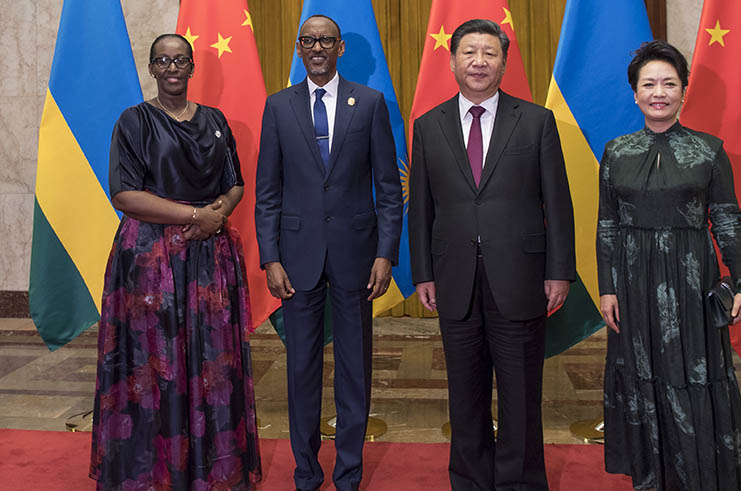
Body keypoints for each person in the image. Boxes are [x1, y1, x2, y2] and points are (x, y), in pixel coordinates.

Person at [408, 18, 575, 491]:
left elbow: (557, 203)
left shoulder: (537, 121)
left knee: (522, 394)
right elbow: (420, 207)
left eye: (490, 53)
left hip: (522, 278)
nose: (479, 61)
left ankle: (520, 482)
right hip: (453, 278)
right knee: (465, 394)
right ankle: (470, 481)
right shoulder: (429, 125)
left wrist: (559, 270)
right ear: (453, 60)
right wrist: (423, 271)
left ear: (504, 61)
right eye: (469, 53)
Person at [89, 34, 262, 489]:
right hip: (150, 262)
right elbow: (125, 194)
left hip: (208, 258)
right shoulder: (134, 121)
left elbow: (235, 183)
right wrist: (195, 215)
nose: (172, 67)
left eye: (180, 60)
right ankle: (155, 471)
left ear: (191, 67)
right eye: (162, 60)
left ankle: (210, 468)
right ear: (152, 68)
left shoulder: (215, 120)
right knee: (156, 364)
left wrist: (216, 215)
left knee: (210, 364)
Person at [254, 14, 402, 491]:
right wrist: (270, 257)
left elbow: (388, 188)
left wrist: (385, 254)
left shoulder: (371, 103)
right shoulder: (278, 107)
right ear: (299, 49)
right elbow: (267, 192)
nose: (317, 47)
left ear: (340, 49)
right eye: (309, 41)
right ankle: (305, 472)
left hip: (358, 258)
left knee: (355, 370)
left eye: (326, 41)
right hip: (295, 261)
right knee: (301, 369)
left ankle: (350, 474)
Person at [597, 40, 741, 490]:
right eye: (649, 84)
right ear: (635, 93)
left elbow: (725, 218)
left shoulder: (708, 151)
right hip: (632, 282)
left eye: (669, 83)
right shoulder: (616, 152)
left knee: (692, 373)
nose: (658, 92)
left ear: (684, 90)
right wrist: (607, 286)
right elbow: (606, 223)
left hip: (691, 280)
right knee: (642, 373)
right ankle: (650, 478)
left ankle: (700, 477)